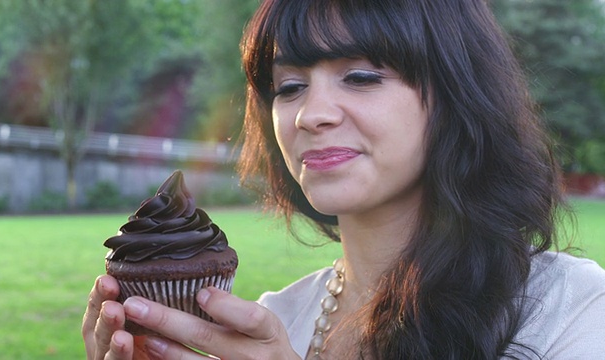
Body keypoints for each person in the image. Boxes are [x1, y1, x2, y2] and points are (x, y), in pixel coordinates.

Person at [82, 0, 605, 359]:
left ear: (454, 94)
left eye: (359, 77)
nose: (311, 114)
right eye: (288, 86)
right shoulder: (269, 320)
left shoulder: (570, 308)